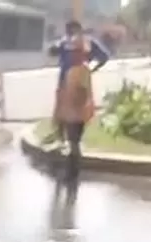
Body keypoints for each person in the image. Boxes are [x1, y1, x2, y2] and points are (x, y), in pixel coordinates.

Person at [47, 21, 109, 142]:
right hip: (67, 81)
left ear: (79, 29)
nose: (70, 33)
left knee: (78, 108)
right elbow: (52, 51)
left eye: (72, 30)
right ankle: (62, 136)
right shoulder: (65, 42)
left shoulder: (87, 42)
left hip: (78, 81)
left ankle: (72, 138)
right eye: (68, 30)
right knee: (64, 107)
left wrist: (92, 69)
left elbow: (104, 57)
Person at [54, 35, 96, 183]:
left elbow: (83, 92)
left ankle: (73, 173)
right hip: (70, 112)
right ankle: (70, 171)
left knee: (74, 143)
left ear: (82, 53)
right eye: (71, 51)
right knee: (72, 142)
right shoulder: (72, 70)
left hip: (78, 113)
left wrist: (75, 107)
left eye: (75, 51)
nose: (72, 54)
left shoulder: (83, 69)